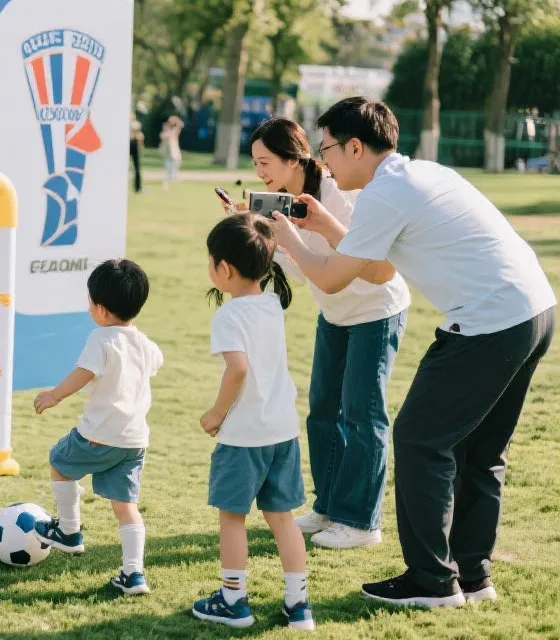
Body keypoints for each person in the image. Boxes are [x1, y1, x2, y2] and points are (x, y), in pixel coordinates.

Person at [269, 96, 556, 607]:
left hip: (489, 321)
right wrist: (319, 226)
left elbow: (334, 279)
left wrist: (287, 236)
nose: (324, 163)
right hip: (534, 309)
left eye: (328, 149)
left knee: (420, 438)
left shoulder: (384, 194)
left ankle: (432, 580)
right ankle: (472, 576)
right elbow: (378, 266)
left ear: (356, 147)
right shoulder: (415, 175)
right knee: (479, 452)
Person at [245, 117, 411, 549]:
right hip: (335, 312)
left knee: (362, 415)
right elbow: (303, 273)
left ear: (292, 158)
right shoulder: (281, 204)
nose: (260, 171)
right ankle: (329, 507)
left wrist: (291, 242)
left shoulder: (338, 196)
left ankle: (361, 523)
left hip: (375, 310)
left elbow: (360, 263)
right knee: (322, 411)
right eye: (255, 163)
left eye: (265, 162)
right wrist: (258, 238)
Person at [191, 214, 314, 632]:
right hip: (283, 431)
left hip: (244, 437)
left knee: (232, 519)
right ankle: (299, 606)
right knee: (282, 519)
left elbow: (238, 371)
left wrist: (216, 413)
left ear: (223, 268)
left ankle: (232, 601)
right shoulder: (272, 303)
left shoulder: (228, 317)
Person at [32, 258, 163, 597]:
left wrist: (54, 395)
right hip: (133, 441)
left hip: (97, 436)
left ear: (101, 310)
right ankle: (134, 574)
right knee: (125, 507)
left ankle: (69, 532)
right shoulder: (145, 343)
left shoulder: (101, 338)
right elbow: (155, 365)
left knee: (59, 461)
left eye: (90, 301)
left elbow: (84, 372)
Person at [159, 115, 184, 190]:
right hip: (168, 147)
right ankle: (169, 176)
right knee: (169, 162)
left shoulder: (175, 128)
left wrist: (176, 122)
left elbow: (181, 125)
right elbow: (164, 135)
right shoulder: (166, 127)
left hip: (174, 146)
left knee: (177, 160)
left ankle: (174, 174)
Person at [130, 113, 144, 193]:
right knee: (137, 167)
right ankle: (138, 188)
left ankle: (138, 188)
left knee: (137, 167)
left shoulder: (135, 124)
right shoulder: (135, 124)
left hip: (133, 143)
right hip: (133, 143)